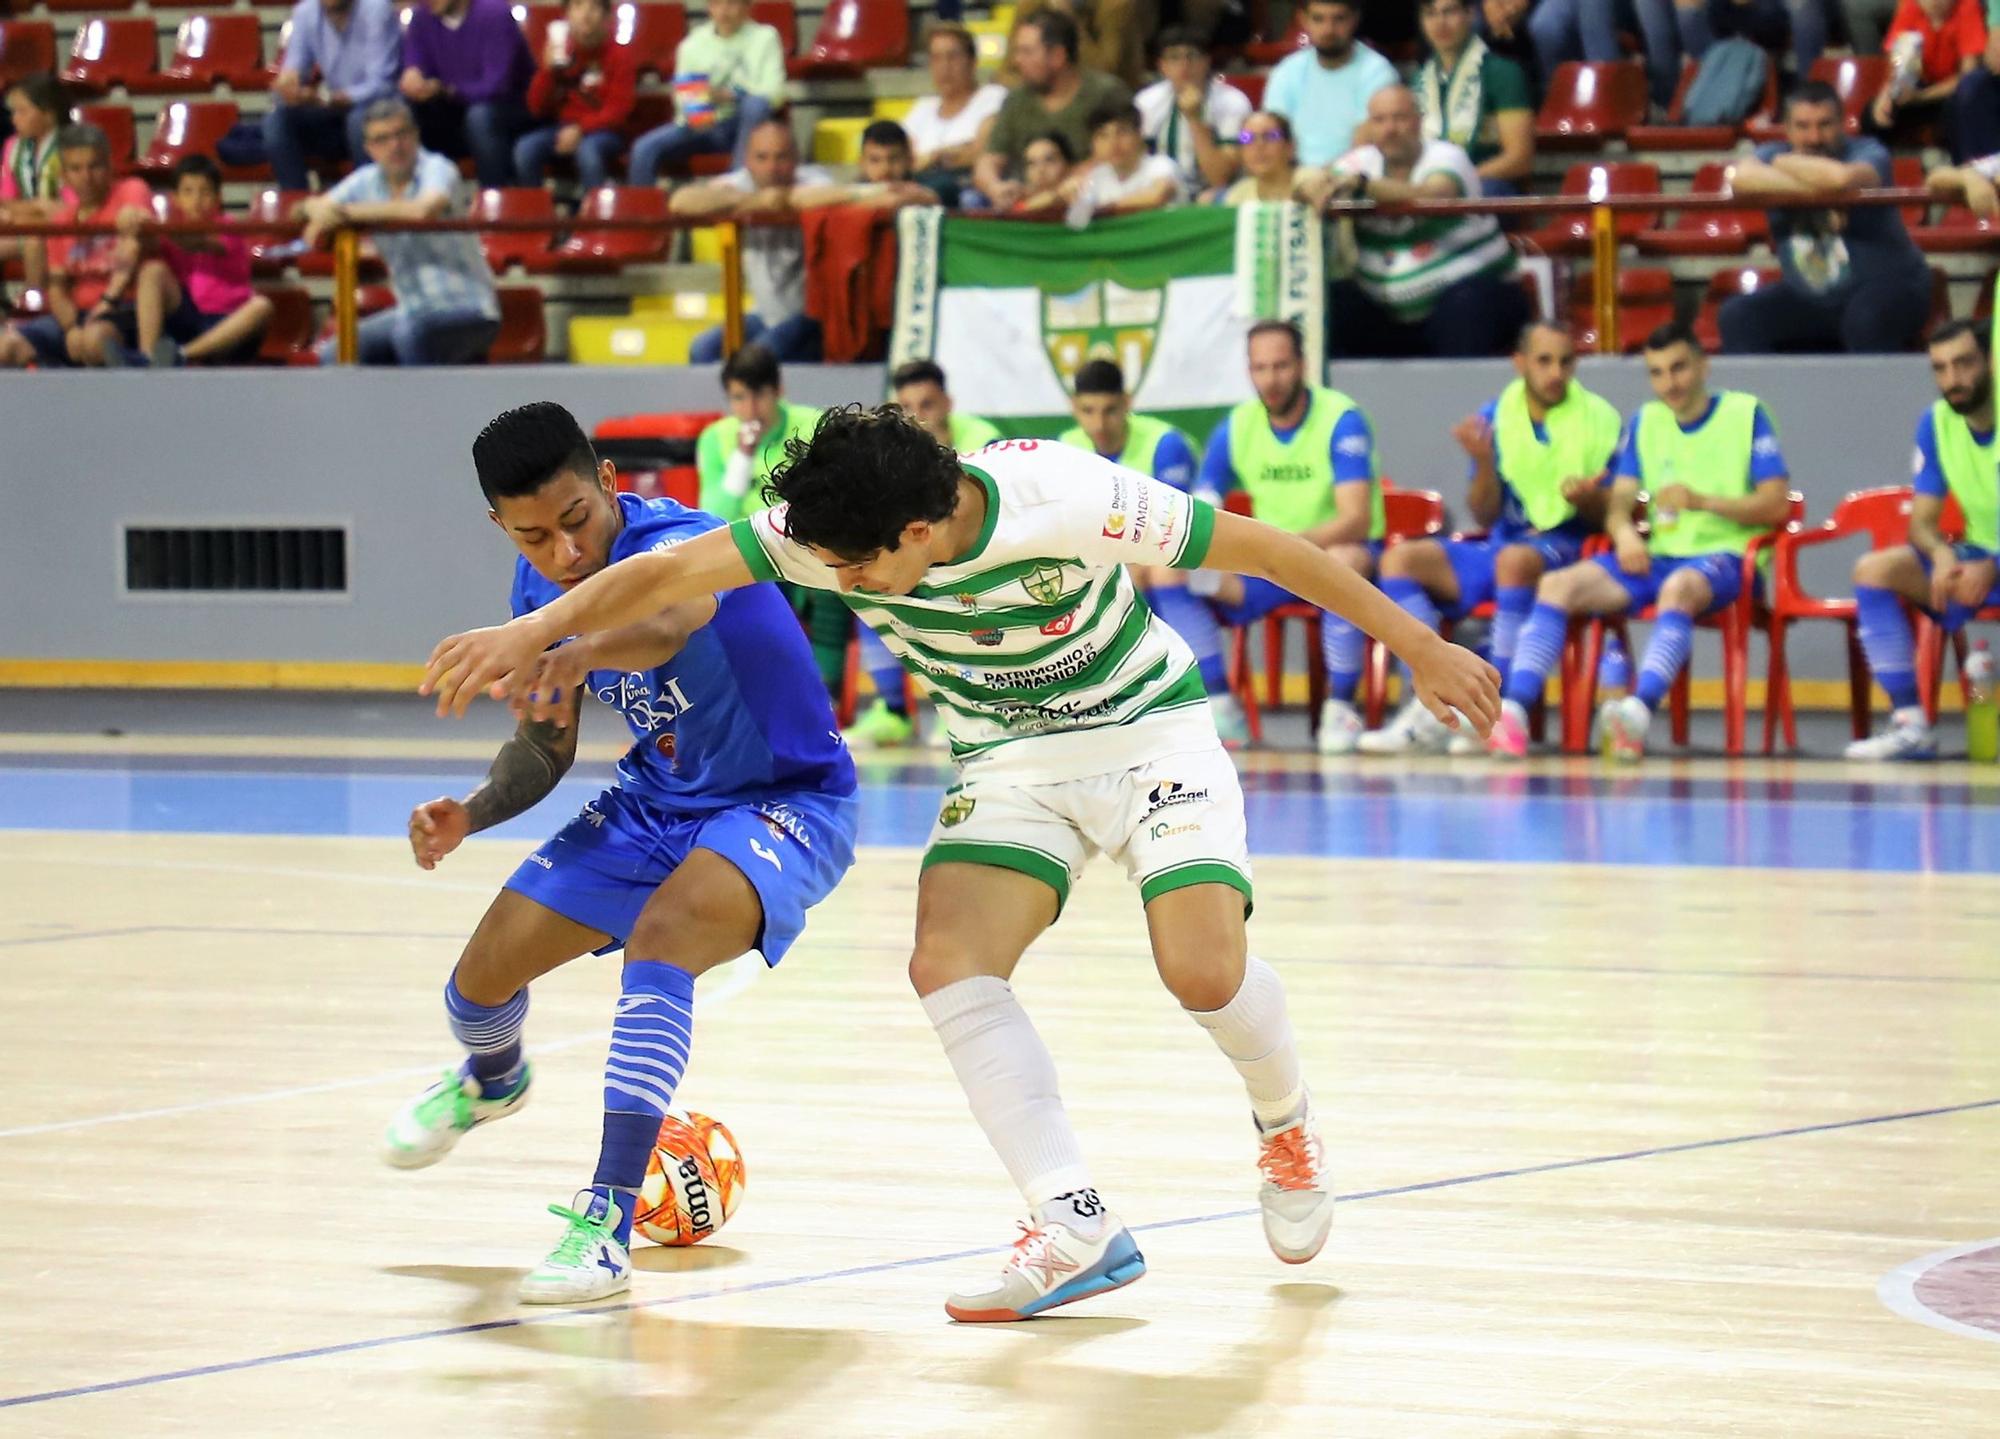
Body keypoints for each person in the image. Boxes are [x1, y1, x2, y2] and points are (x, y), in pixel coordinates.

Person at [420, 407, 1499, 1325]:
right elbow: (669, 569)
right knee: (945, 960)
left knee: (1202, 973)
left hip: (1146, 735)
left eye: (858, 567)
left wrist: (1418, 645)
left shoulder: (1063, 494)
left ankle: (1286, 1124)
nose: (841, 581)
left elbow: (1267, 550)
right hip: (1012, 757)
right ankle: (1073, 1221)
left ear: (923, 527)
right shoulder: (826, 530)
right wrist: (537, 632)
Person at [383, 401, 857, 1306]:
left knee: (664, 940)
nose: (563, 553)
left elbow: (673, 616)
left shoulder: (682, 536)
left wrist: (573, 646)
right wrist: (472, 813)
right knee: (478, 983)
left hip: (787, 798)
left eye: (575, 521)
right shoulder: (537, 597)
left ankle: (603, 1225)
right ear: (500, 526)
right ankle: (493, 1080)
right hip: (658, 799)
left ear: (607, 481)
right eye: (533, 538)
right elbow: (543, 750)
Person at [1486, 323, 1793, 761]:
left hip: (1725, 560)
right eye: (1657, 373)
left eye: (1679, 368)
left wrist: (1703, 501)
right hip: (1657, 557)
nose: (1670, 383)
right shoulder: (1645, 422)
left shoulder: (1746, 414)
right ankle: (1512, 710)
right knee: (1558, 586)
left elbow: (1776, 505)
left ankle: (1637, 711)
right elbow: (1620, 503)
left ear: (1704, 366)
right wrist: (1625, 533)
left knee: (1678, 590)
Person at [1357, 321, 1619, 755]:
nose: (1556, 372)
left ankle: (1489, 716)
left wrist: (1590, 498)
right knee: (1399, 561)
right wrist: (1481, 463)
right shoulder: (1496, 416)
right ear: (1519, 364)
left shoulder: (1600, 419)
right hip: (1502, 543)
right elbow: (1483, 511)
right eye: (1544, 361)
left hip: (1567, 546)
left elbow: (1611, 513)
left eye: (1566, 361)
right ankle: (1430, 705)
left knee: (1513, 561)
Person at [1145, 321, 1386, 753]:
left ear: (1302, 365)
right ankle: (1220, 704)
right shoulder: (1237, 426)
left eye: (1280, 366)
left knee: (1349, 558)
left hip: (1330, 559)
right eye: (1259, 368)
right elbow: (1202, 505)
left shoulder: (1341, 419)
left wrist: (1285, 547)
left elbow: (1355, 518)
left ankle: (1340, 709)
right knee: (1170, 573)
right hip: (1268, 571)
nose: (1270, 380)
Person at [1844, 320, 1999, 760]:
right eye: (1941, 368)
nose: (1953, 379)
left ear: (1990, 361)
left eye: (1964, 363)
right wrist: (1941, 552)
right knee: (1874, 570)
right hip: (1979, 554)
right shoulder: (1935, 425)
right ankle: (1911, 724)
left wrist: (1994, 567)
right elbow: (1923, 523)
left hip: (1994, 563)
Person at [1301, 86, 1528, 360]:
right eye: (1380, 120)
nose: (1390, 129)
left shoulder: (1447, 157)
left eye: (1400, 118)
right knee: (1333, 302)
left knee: (1465, 306)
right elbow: (1310, 182)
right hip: (1390, 316)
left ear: (1419, 121)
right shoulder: (1361, 161)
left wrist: (1363, 185)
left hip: (1474, 296)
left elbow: (1431, 195)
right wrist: (1312, 186)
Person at [844, 365, 1001, 749]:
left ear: (947, 403)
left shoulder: (985, 440)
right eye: (907, 407)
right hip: (922, 556)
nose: (918, 417)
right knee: (866, 583)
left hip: (978, 559)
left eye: (927, 404)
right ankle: (893, 712)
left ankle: (973, 710)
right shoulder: (888, 454)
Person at [1722, 81, 1932, 355]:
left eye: (1825, 124)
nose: (1814, 138)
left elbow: (1841, 178)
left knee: (1864, 318)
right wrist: (1822, 194)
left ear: (1843, 123)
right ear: (1786, 129)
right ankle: (1763, 399)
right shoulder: (1772, 153)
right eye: (1803, 126)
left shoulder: (1869, 151)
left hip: (1895, 286)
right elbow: (1739, 178)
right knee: (1737, 316)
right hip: (1812, 297)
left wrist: (1782, 166)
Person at [299, 99, 501, 366]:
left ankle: (423, 409)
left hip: (470, 308)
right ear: (369, 148)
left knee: (410, 334)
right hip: (410, 310)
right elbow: (305, 216)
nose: (394, 145)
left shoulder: (438, 168)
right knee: (333, 352)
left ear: (416, 136)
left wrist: (347, 214)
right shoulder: (366, 180)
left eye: (401, 134)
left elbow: (422, 211)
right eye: (382, 139)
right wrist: (312, 206)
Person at [693, 344, 846, 698]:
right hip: (749, 552)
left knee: (833, 580)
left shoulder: (812, 427)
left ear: (778, 391)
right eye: (738, 398)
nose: (749, 410)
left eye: (758, 396)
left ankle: (827, 696)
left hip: (808, 544)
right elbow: (714, 516)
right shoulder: (716, 439)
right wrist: (743, 457)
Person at [670, 118, 833, 364]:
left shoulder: (816, 181)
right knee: (702, 349)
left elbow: (837, 196)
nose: (772, 167)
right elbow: (680, 201)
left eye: (781, 157)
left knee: (756, 359)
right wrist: (758, 203)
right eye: (762, 157)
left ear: (796, 159)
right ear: (747, 160)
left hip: (810, 317)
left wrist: (782, 200)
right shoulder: (741, 183)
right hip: (763, 316)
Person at [92, 155, 275, 368]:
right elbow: (150, 242)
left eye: (205, 192)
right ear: (175, 199)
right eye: (188, 192)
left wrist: (156, 227)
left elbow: (198, 242)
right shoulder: (170, 232)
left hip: (227, 321)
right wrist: (133, 217)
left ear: (217, 198)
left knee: (262, 306)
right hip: (188, 318)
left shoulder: (228, 228)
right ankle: (147, 357)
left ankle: (182, 355)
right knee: (152, 270)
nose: (196, 200)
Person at [0, 124, 154, 370]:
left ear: (109, 167)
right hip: (77, 317)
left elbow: (134, 236)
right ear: (64, 176)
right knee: (5, 349)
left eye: (95, 166)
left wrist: (105, 304)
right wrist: (71, 328)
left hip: (124, 310)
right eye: (76, 169)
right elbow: (58, 287)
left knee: (93, 342)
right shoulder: (61, 222)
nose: (86, 176)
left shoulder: (131, 191)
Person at [975, 10, 1132, 209]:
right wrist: (995, 187)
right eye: (1018, 52)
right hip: (1032, 208)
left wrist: (1062, 185)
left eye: (1027, 52)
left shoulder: (1106, 94)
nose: (1017, 61)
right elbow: (988, 160)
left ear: (1058, 56)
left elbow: (1124, 153)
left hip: (1096, 204)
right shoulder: (1016, 100)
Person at [627, 0, 786, 185]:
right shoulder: (693, 45)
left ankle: (737, 188)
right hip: (704, 124)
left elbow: (774, 94)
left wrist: (729, 96)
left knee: (756, 105)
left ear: (747, 7)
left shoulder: (765, 37)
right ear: (709, 7)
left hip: (746, 124)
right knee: (644, 148)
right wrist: (703, 107)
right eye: (717, 4)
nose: (724, 11)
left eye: (731, 4)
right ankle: (642, 211)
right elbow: (685, 101)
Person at [264, 0, 403, 192]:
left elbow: (382, 84)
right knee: (276, 120)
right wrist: (289, 86)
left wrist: (329, 98)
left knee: (358, 120)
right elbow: (294, 68)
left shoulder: (377, 9)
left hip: (380, 108)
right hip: (333, 110)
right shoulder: (305, 12)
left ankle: (372, 202)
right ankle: (296, 202)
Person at [399, 0, 536, 189]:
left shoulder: (494, 12)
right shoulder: (422, 16)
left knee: (480, 117)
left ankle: (493, 199)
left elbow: (497, 85)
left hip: (508, 108)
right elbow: (414, 63)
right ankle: (418, 199)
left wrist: (447, 90)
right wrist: (413, 77)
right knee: (403, 110)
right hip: (450, 108)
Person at [1413, 0, 1535, 195]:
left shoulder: (1503, 72)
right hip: (1428, 187)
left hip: (1486, 184)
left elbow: (1520, 159)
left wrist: (1456, 182)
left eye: (1449, 12)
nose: (1440, 22)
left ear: (1471, 14)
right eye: (1430, 14)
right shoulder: (1419, 80)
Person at [513, 0, 636, 192]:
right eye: (578, 7)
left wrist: (581, 130)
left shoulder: (620, 55)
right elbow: (535, 107)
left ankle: (596, 219)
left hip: (606, 131)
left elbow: (618, 111)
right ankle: (536, 219)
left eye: (593, 8)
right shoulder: (560, 52)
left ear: (606, 17)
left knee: (589, 152)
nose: (585, 16)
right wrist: (547, 71)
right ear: (567, 15)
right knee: (526, 149)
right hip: (562, 128)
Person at [1264, 0, 1399, 167]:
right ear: (1303, 19)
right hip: (1293, 177)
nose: (1328, 30)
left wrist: (1323, 179)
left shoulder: (1377, 72)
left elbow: (1365, 146)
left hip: (1355, 179)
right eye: (1319, 19)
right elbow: (1271, 135)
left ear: (1355, 19)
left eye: (1339, 19)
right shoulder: (1286, 71)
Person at [1137, 27, 1252, 194]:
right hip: (1163, 194)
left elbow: (1220, 178)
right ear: (1162, 65)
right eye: (1174, 57)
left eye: (1192, 56)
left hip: (1214, 196)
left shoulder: (1233, 103)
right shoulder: (1145, 102)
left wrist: (1194, 119)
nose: (1184, 65)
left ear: (1207, 61)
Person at [904, 23, 1008, 206]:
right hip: (919, 188)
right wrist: (945, 155)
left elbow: (982, 151)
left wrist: (930, 158)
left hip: (967, 190)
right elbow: (902, 162)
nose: (944, 66)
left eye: (953, 57)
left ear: (972, 62)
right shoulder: (922, 108)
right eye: (936, 58)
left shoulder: (993, 97)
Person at [1059, 358, 1200, 492]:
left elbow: (1175, 515)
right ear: (1073, 406)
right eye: (1088, 411)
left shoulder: (1166, 445)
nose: (1099, 424)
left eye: (1110, 410)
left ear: (1126, 403)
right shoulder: (1064, 447)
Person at [1873, 0, 1984, 141]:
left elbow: (1968, 77)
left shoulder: (1968, 6)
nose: (1935, 2)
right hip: (1918, 85)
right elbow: (1896, 58)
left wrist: (1921, 97)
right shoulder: (1910, 5)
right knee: (1874, 115)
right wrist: (1887, 92)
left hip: (1952, 93)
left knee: (1961, 107)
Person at [1062, 101, 1187, 219]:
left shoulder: (1161, 165)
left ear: (1139, 135)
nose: (1113, 143)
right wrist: (1069, 197)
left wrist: (1101, 209)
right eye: (1103, 135)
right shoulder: (1097, 176)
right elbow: (1076, 220)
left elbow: (1157, 196)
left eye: (1122, 132)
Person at [790, 120, 942, 209]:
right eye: (875, 160)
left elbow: (927, 197)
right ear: (861, 163)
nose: (885, 168)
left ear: (909, 160)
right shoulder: (852, 190)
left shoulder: (929, 188)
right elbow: (796, 199)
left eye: (894, 159)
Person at [1009, 0, 1157, 88]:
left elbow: (1104, 73)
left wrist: (1066, 16)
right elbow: (1008, 69)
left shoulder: (1117, 6)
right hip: (1047, 90)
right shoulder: (1032, 4)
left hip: (1112, 96)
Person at [0, 74, 65, 227]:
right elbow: (6, 197)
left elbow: (67, 207)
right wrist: (36, 207)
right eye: (14, 112)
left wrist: (18, 211)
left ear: (49, 113)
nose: (14, 119)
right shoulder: (13, 146)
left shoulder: (70, 146)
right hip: (20, 222)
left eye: (22, 111)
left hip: (60, 227)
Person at [1218, 112, 1300, 205]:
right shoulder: (1237, 196)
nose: (1259, 145)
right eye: (1247, 138)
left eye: (1270, 136)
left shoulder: (1310, 183)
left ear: (1290, 146)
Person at [1012, 130, 1081, 212]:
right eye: (1032, 163)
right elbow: (1018, 211)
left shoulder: (1083, 190)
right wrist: (1057, 195)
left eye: (1049, 160)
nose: (1040, 169)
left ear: (1069, 163)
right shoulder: (1020, 199)